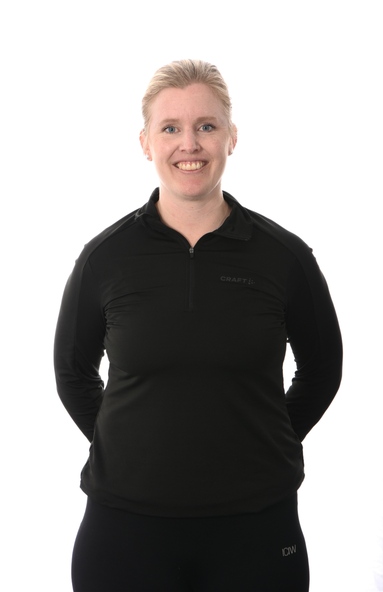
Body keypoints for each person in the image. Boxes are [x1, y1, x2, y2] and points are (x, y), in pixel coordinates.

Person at [54, 59, 343, 592]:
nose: (190, 144)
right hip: (124, 530)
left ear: (232, 137)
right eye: (170, 128)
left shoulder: (285, 257)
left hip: (257, 527)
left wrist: (267, 439)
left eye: (206, 126)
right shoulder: (104, 258)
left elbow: (323, 369)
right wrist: (127, 446)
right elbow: (72, 373)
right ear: (146, 143)